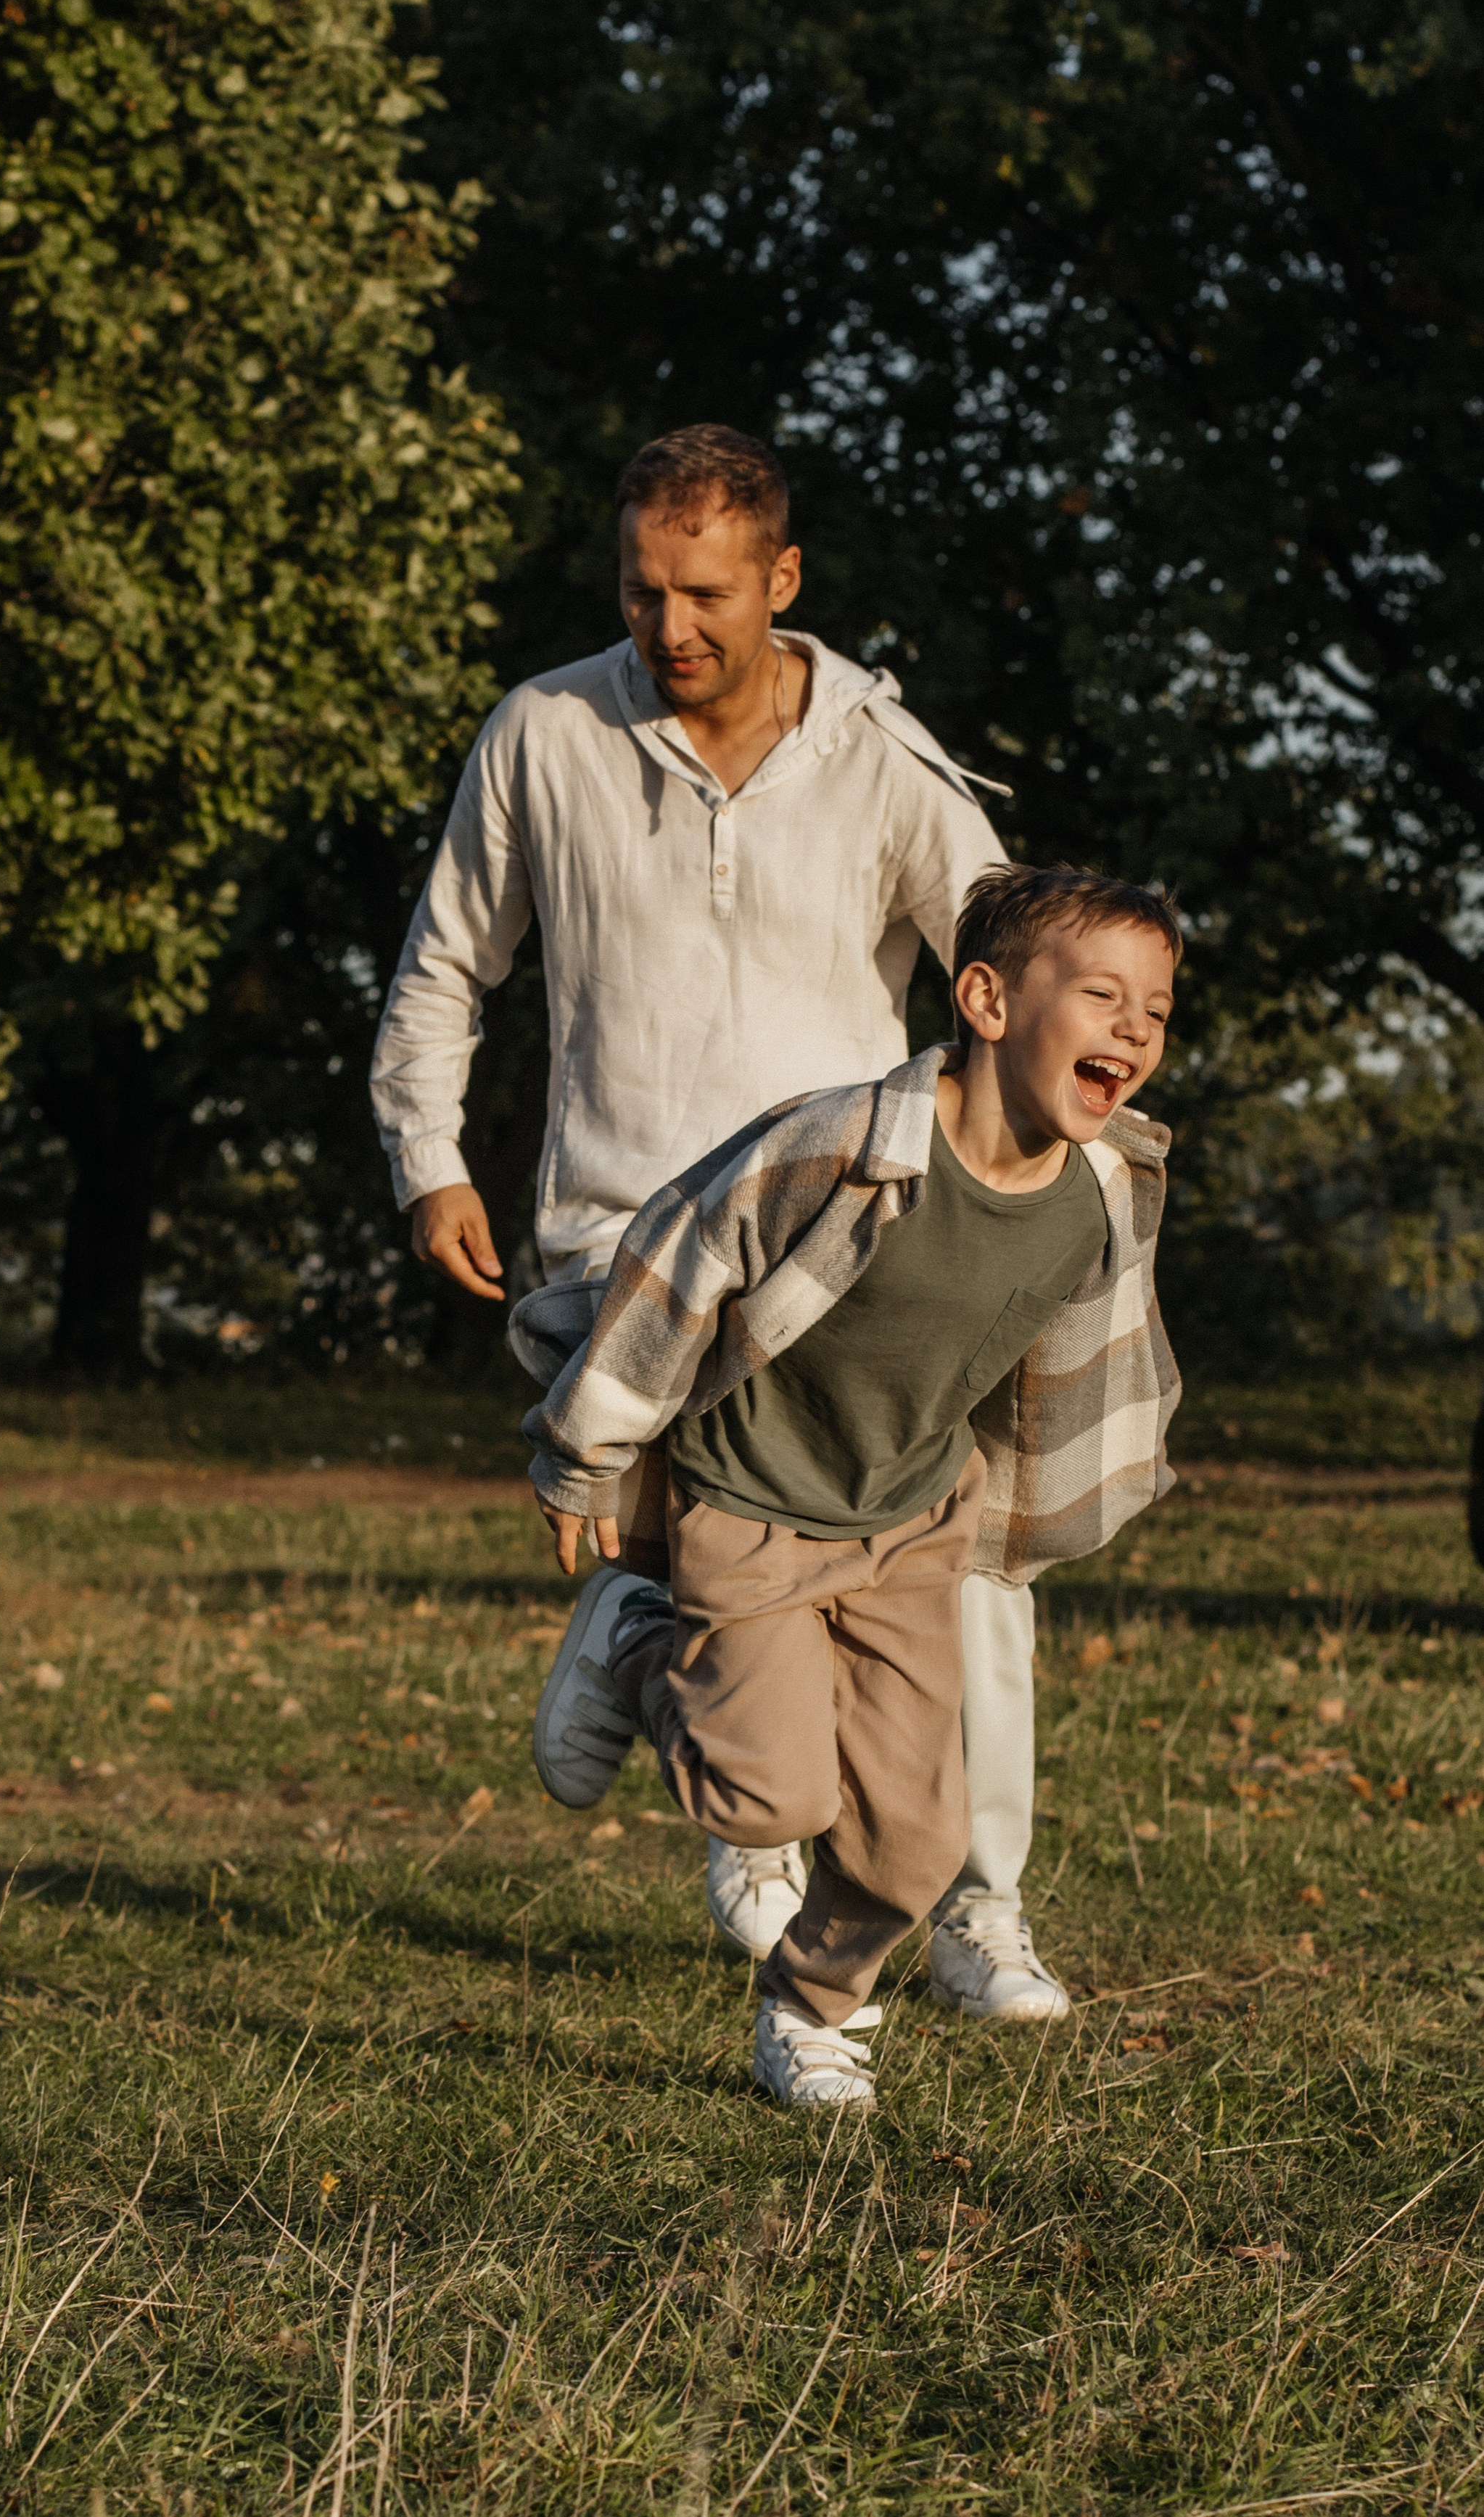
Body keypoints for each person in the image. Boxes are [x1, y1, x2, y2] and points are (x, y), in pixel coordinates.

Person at [370, 424, 1066, 2019]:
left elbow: (1004, 965)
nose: (668, 630)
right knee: (747, 1569)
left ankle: (980, 1906)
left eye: (703, 596)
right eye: (639, 593)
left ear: (782, 581)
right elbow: (443, 967)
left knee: (969, 1571)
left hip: (849, 1234)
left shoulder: (886, 761)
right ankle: (748, 1804)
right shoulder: (541, 733)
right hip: (621, 1234)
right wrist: (429, 1157)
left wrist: (1048, 1131)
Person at [522, 864, 1182, 2105]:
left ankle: (809, 2010)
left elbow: (1059, 1366)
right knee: (768, 1789)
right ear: (986, 999)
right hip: (753, 1500)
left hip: (906, 1523)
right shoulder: (844, 1144)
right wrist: (587, 1453)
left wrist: (1030, 1511)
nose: (1138, 1029)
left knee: (918, 1838)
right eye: (1104, 995)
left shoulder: (1101, 1191)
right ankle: (641, 1640)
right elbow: (677, 1259)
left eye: (1157, 1007)